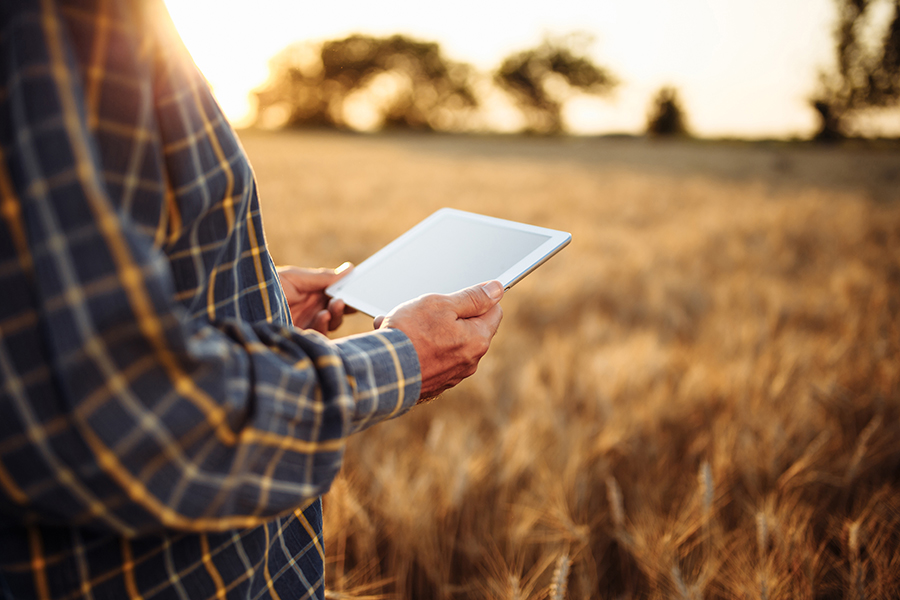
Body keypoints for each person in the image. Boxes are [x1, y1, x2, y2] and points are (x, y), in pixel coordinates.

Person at [0, 1, 503, 598]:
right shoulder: (53, 24)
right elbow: (115, 411)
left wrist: (250, 302)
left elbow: (75, 295)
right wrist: (400, 361)